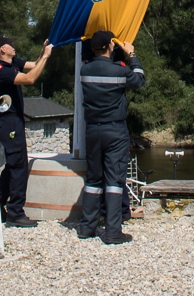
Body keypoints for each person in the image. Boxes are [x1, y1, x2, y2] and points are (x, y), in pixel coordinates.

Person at [77, 30, 145, 245]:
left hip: (93, 131)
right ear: (110, 46)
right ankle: (113, 231)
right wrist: (132, 55)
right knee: (115, 180)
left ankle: (87, 227)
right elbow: (140, 80)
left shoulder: (84, 70)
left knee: (93, 180)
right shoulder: (119, 71)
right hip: (115, 131)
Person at [0, 35, 53, 228]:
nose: (13, 47)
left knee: (12, 164)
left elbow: (33, 65)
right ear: (2, 50)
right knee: (18, 167)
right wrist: (46, 58)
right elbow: (30, 78)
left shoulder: (14, 62)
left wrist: (44, 52)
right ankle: (15, 212)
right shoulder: (1, 71)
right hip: (8, 121)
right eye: (10, 45)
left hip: (15, 119)